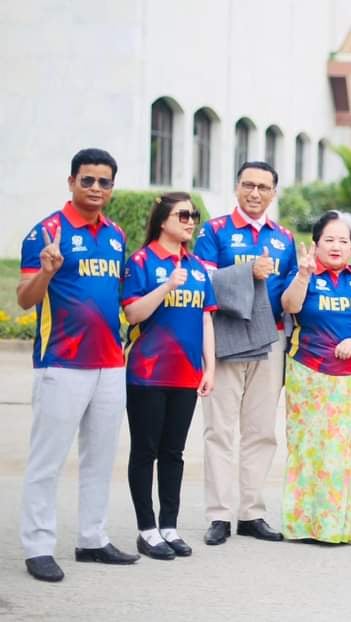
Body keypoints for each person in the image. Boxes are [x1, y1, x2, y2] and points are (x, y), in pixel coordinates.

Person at [18, 148, 139, 582]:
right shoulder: (46, 231)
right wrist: (47, 271)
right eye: (87, 180)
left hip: (110, 362)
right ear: (71, 181)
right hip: (63, 362)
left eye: (104, 182)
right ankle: (37, 546)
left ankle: (92, 539)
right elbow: (24, 299)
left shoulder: (116, 234)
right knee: (47, 460)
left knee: (100, 458)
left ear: (111, 188)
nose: (95, 189)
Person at [195, 161, 297, 545]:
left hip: (269, 341)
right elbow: (201, 280)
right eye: (248, 185)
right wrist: (246, 274)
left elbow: (288, 294)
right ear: (236, 187)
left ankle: (251, 512)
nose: (255, 193)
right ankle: (219, 514)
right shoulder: (215, 231)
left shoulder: (283, 238)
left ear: (274, 193)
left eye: (264, 187)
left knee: (260, 431)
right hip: (225, 339)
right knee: (219, 430)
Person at [280, 211, 351, 544]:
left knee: (344, 455)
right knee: (308, 451)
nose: (336, 246)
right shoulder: (306, 274)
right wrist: (302, 275)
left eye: (344, 241)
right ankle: (303, 525)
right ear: (315, 244)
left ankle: (340, 527)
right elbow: (289, 305)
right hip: (308, 375)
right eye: (329, 239)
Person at [122, 192, 217, 560]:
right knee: (145, 451)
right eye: (182, 215)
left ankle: (169, 526)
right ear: (163, 221)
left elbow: (205, 317)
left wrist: (209, 366)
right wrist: (165, 287)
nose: (190, 221)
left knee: (173, 453)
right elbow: (133, 315)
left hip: (186, 375)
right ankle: (146, 529)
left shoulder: (195, 265)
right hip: (148, 374)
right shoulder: (142, 261)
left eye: (193, 215)